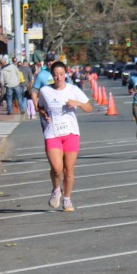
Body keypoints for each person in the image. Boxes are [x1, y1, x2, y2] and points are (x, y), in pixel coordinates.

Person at [37, 61, 92, 212]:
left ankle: (67, 199)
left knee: (69, 169)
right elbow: (40, 106)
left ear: (66, 74)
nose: (59, 78)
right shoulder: (45, 91)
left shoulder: (73, 89)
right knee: (56, 168)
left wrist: (77, 103)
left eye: (61, 74)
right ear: (52, 75)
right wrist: (43, 113)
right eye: (56, 75)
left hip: (71, 133)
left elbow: (89, 108)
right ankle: (56, 190)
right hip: (52, 133)